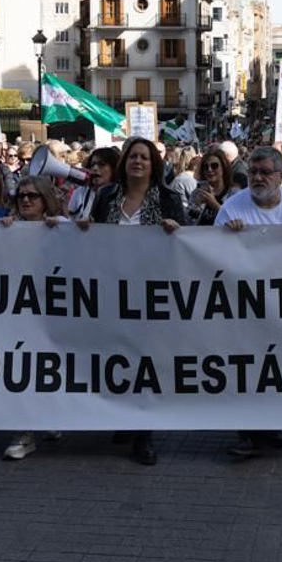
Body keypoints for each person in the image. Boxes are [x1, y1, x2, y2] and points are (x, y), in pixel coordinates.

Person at [215, 146, 282, 461]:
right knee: (249, 370)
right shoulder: (232, 208)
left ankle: (271, 427)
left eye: (265, 173)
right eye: (253, 173)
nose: (258, 178)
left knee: (279, 368)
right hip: (245, 308)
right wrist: (225, 237)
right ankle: (251, 433)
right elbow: (209, 254)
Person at [86, 137, 184, 466]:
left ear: (153, 164)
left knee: (144, 362)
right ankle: (125, 419)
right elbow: (94, 236)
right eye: (132, 157)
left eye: (144, 157)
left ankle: (144, 434)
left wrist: (176, 230)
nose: (137, 162)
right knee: (117, 356)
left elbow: (188, 242)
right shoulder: (105, 196)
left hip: (150, 292)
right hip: (112, 289)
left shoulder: (168, 198)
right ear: (124, 163)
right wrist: (84, 228)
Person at [0, 175, 67, 461]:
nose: (25, 200)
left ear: (45, 200)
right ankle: (24, 432)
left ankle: (46, 417)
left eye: (32, 196)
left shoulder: (61, 227)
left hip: (52, 312)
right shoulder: (7, 228)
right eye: (21, 196)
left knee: (48, 368)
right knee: (22, 367)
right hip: (19, 312)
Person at [186, 147, 234, 226]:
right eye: (206, 167)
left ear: (223, 167)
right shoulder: (196, 193)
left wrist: (215, 204)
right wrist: (196, 207)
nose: (209, 170)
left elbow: (236, 220)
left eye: (214, 166)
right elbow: (188, 224)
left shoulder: (233, 194)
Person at [67, 146, 117, 220]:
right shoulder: (80, 192)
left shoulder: (121, 195)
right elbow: (70, 222)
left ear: (113, 169)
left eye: (102, 164)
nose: (95, 168)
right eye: (92, 165)